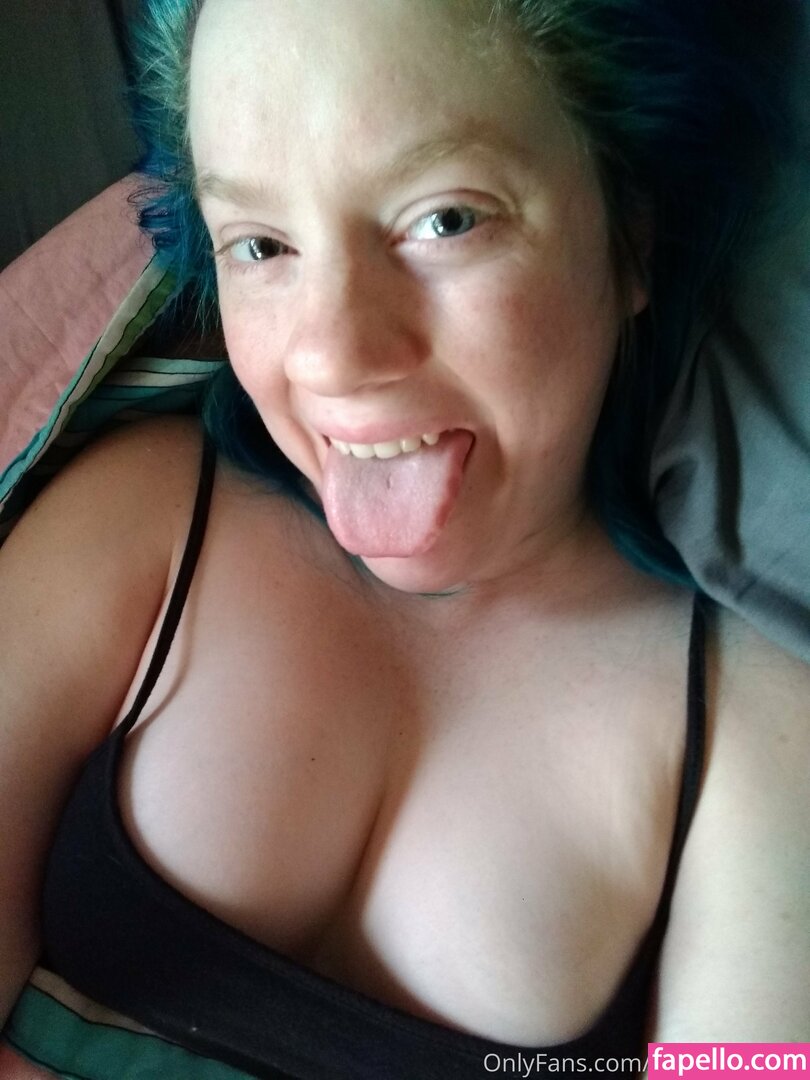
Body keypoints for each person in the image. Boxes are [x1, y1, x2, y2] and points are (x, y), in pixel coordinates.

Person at [1, 1, 808, 1077]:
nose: (333, 354)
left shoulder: (763, 728)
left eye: (447, 220)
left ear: (629, 235)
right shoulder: (137, 517)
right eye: (262, 245)